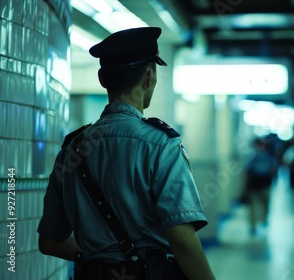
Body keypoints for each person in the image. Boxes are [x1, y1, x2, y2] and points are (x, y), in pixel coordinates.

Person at [37, 27, 216, 280]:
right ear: (149, 77)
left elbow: (49, 241)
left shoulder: (71, 148)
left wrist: (97, 259)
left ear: (102, 79)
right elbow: (181, 238)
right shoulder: (161, 145)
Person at [243, 137, 278, 236]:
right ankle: (259, 221)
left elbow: (247, 171)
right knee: (262, 203)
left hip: (258, 183)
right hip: (262, 183)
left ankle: (255, 223)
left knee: (257, 205)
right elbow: (273, 169)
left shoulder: (253, 156)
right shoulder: (265, 155)